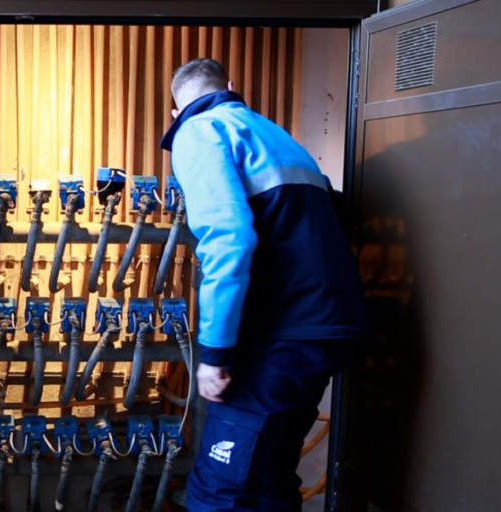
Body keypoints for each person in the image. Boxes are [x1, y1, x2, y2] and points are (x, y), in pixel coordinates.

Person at [161, 59, 367, 511]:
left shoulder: (199, 131)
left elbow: (228, 239)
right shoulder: (275, 134)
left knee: (219, 492)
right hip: (327, 330)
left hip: (279, 337)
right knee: (269, 481)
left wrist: (214, 352)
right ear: (232, 88)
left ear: (177, 112)